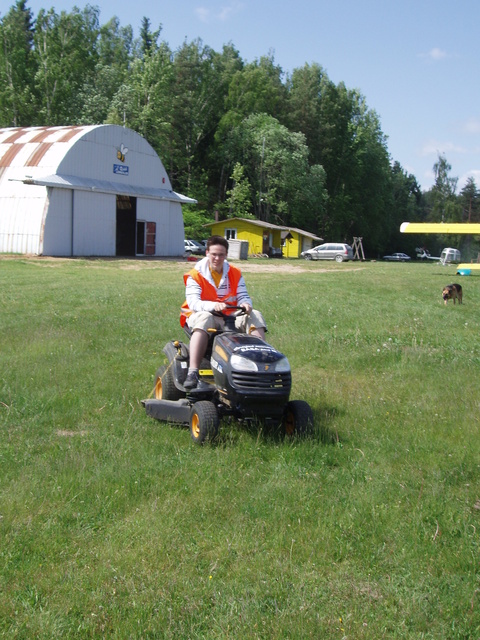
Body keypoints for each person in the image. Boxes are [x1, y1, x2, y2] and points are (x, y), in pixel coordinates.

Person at [180, 235, 267, 389]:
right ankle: (193, 371)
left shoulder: (235, 273)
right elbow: (193, 303)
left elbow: (243, 295)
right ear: (207, 253)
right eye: (214, 254)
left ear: (226, 255)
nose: (217, 258)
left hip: (230, 316)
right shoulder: (195, 275)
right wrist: (213, 305)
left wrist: (246, 304)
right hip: (201, 314)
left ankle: (260, 367)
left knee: (256, 315)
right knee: (205, 318)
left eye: (221, 254)